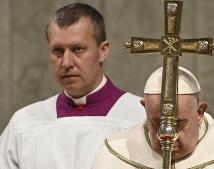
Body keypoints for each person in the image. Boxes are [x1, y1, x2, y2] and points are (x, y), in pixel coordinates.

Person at [0, 3, 145, 169]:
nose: (66, 62)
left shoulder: (141, 118)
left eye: (78, 49)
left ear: (103, 51)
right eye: (58, 51)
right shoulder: (24, 124)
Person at [93, 66, 214, 169]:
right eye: (157, 122)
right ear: (144, 108)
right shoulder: (114, 155)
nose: (167, 135)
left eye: (178, 124)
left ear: (199, 112)